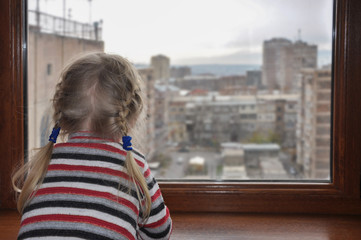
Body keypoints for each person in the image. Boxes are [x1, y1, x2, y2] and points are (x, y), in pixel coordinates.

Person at [12, 52, 172, 240]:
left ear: (61, 111)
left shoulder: (40, 164)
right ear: (132, 115)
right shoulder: (134, 164)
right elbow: (160, 232)